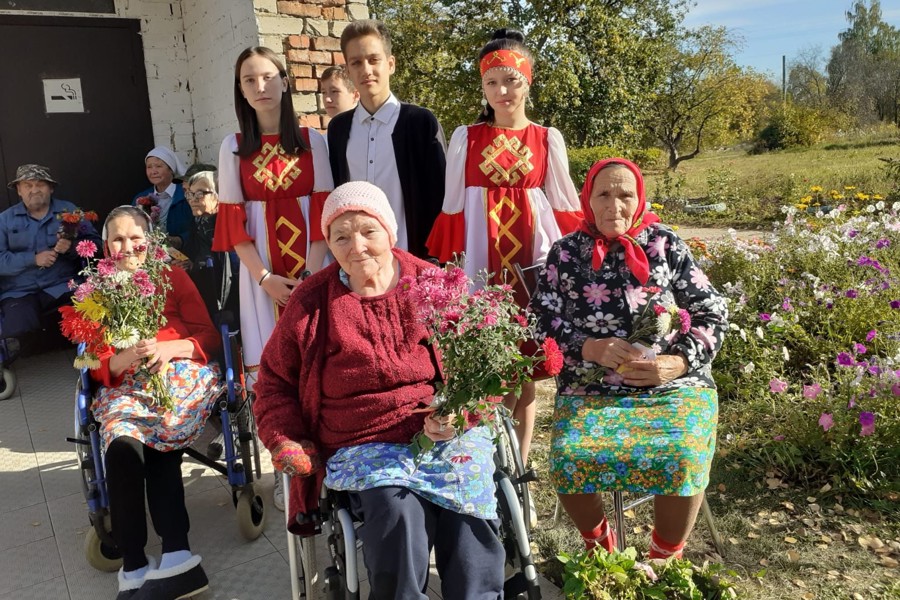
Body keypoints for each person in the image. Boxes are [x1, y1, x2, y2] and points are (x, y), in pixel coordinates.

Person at [254, 182, 504, 599]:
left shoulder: (433, 283)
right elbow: (274, 381)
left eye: (368, 231)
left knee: (467, 518)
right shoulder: (311, 301)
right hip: (362, 441)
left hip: (447, 428)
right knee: (397, 517)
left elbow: (484, 364)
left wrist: (465, 412)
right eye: (341, 236)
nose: (357, 246)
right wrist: (285, 437)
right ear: (328, 245)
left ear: (390, 231)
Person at [529, 158, 728, 559]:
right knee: (570, 457)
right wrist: (588, 347)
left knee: (683, 454)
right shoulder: (566, 253)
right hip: (591, 387)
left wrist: (678, 362)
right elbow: (538, 320)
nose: (614, 206)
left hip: (673, 386)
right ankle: (601, 547)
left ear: (639, 200)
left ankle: (661, 559)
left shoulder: (664, 243)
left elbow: (712, 311)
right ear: (587, 199)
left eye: (625, 195)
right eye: (604, 194)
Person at [426, 28, 583, 469]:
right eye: (492, 82)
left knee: (525, 372)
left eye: (511, 80)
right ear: (482, 87)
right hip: (482, 265)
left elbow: (564, 207)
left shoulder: (548, 138)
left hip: (532, 266)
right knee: (484, 371)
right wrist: (452, 279)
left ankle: (520, 467)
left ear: (528, 81)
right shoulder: (466, 138)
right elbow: (453, 210)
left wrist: (572, 268)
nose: (502, 91)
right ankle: (487, 465)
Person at [213, 46, 334, 511]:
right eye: (249, 80)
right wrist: (264, 278)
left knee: (318, 362)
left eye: (267, 77)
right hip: (260, 276)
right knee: (274, 371)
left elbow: (323, 213)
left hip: (313, 269)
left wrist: (310, 276)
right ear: (240, 90)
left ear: (284, 81)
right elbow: (233, 223)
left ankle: (324, 463)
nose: (260, 87)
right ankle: (288, 474)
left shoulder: (311, 140)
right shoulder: (232, 147)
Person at [89, 206, 221, 599]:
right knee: (123, 447)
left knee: (162, 438)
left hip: (179, 373)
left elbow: (208, 337)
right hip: (126, 382)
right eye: (117, 239)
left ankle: (176, 551)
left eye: (135, 238)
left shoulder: (172, 276)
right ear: (105, 245)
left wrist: (168, 349)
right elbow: (94, 363)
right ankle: (132, 561)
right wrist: (125, 358)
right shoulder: (96, 291)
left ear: (150, 240)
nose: (127, 247)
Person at [327, 19, 446, 259]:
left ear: (390, 64)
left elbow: (439, 197)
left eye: (374, 59)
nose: (366, 70)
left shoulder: (420, 122)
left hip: (412, 261)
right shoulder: (338, 129)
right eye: (356, 63)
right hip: (357, 263)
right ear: (348, 70)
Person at [0, 164, 100, 355]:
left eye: (40, 185)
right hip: (20, 293)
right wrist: (32, 259)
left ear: (51, 188)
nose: (34, 190)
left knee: (92, 318)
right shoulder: (4, 220)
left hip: (61, 286)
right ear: (19, 190)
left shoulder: (69, 211)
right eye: (27, 185)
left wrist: (71, 247)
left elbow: (96, 245)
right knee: (17, 337)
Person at [180, 164, 239, 320]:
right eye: (189, 194)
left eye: (199, 194)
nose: (192, 200)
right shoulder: (202, 220)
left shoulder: (231, 224)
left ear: (219, 194)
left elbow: (232, 270)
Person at [132, 146, 192, 250]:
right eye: (149, 167)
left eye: (158, 166)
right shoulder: (140, 198)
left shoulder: (185, 194)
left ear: (171, 170)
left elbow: (197, 228)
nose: (153, 171)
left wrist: (180, 240)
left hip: (185, 256)